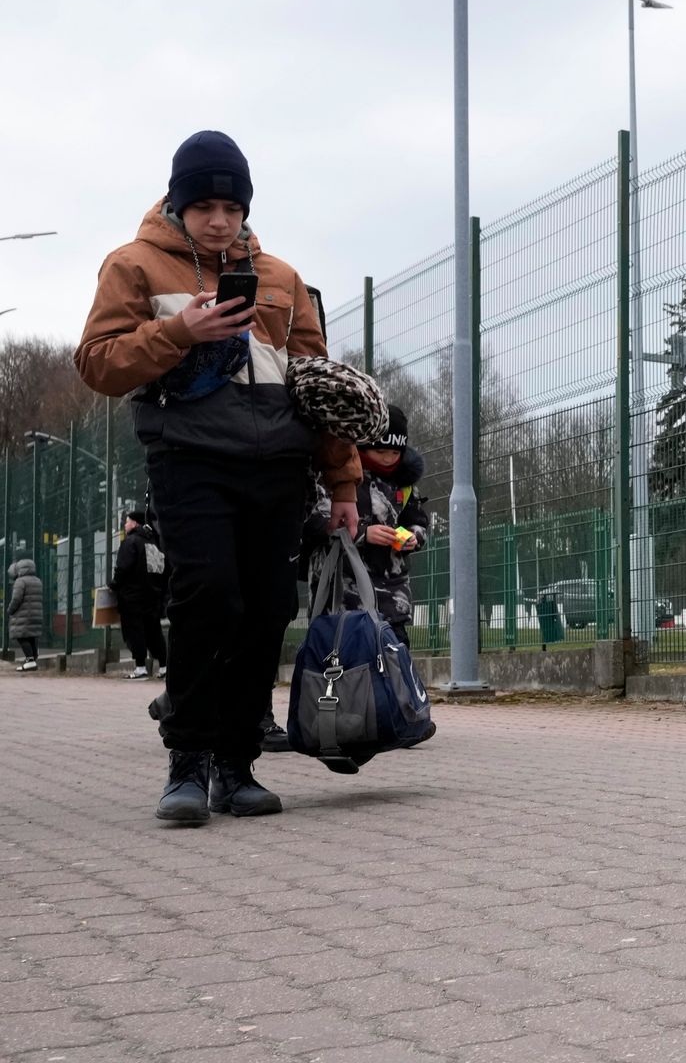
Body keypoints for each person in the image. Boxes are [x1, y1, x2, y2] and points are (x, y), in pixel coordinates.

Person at [75, 130, 360, 826]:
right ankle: (188, 763)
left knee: (265, 609)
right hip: (190, 460)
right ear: (178, 202)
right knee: (209, 599)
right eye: (203, 204)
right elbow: (97, 362)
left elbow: (318, 387)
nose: (219, 219)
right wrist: (181, 333)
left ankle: (237, 766)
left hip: (278, 469)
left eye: (232, 206)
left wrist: (344, 483)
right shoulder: (133, 267)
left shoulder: (283, 278)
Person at [304, 402, 430, 646]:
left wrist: (414, 537)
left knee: (393, 666)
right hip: (341, 599)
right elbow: (313, 523)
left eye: (395, 453)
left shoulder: (403, 483)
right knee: (345, 667)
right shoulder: (335, 476)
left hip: (393, 599)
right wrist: (363, 534)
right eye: (380, 451)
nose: (388, 459)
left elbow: (418, 521)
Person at [112, 511, 169, 679]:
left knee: (134, 631)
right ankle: (164, 666)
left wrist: (114, 584)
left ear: (135, 523)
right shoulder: (153, 541)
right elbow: (160, 569)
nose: (125, 524)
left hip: (132, 597)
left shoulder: (130, 542)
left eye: (127, 521)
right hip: (152, 595)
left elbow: (123, 568)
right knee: (154, 631)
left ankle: (140, 667)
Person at [7, 557, 42, 672]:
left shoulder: (20, 581)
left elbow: (16, 599)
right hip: (36, 614)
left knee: (21, 636)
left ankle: (30, 660)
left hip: (23, 614)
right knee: (31, 636)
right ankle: (32, 659)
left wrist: (10, 610)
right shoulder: (37, 580)